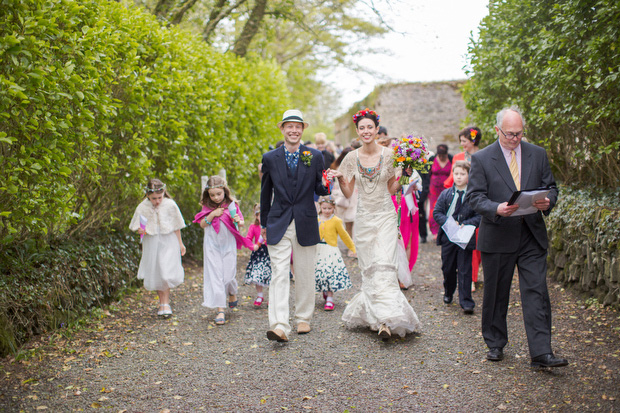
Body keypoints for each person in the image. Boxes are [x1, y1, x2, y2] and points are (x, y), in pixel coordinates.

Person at [467, 106, 568, 368]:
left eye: (519, 134)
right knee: (496, 293)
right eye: (510, 134)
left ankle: (541, 353)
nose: (515, 139)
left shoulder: (538, 153)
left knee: (536, 292)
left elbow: (552, 188)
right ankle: (495, 343)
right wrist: (496, 208)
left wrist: (548, 202)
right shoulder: (481, 158)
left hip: (531, 235)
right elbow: (474, 197)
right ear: (497, 130)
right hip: (498, 233)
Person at [331, 108, 421, 339]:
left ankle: (386, 320)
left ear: (377, 129)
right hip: (363, 218)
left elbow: (392, 188)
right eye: (362, 128)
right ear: (358, 131)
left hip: (385, 216)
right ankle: (375, 315)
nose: (366, 131)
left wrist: (404, 174)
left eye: (369, 127)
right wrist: (341, 179)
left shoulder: (391, 155)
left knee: (385, 264)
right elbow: (349, 193)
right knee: (369, 268)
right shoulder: (351, 158)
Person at [260, 109, 331, 342]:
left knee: (304, 272)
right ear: (282, 128)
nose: (293, 130)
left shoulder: (315, 156)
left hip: (306, 220)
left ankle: (303, 318)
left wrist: (328, 182)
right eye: (289, 126)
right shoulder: (270, 158)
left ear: (302, 130)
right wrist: (263, 224)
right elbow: (265, 193)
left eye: (297, 126)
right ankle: (279, 324)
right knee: (279, 273)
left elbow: (320, 189)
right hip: (278, 221)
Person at [193, 176, 256, 325]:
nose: (215, 197)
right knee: (216, 276)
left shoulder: (231, 205)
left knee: (228, 276)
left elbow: (241, 224)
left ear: (224, 191)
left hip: (228, 244)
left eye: (218, 194)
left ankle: (232, 291)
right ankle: (220, 310)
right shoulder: (207, 207)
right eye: (212, 195)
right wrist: (212, 215)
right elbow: (202, 224)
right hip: (211, 245)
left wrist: (237, 220)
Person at [129, 179, 186, 317]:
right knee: (158, 271)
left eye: (160, 197)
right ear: (148, 195)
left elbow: (176, 225)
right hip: (152, 242)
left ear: (164, 193)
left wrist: (180, 243)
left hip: (169, 241)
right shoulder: (142, 207)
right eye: (154, 198)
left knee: (166, 272)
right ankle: (163, 303)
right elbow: (138, 226)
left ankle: (165, 302)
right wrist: (141, 231)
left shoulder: (170, 205)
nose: (157, 201)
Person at [433, 161, 480, 314]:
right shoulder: (445, 194)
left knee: (465, 268)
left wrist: (465, 223)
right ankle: (448, 291)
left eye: (462, 174)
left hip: (465, 237)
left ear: (468, 176)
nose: (459, 177)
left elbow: (479, 216)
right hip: (448, 236)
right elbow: (437, 212)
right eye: (456, 174)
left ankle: (466, 301)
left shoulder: (473, 196)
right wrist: (449, 223)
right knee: (448, 267)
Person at [444, 127, 483, 289]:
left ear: (473, 141)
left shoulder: (483, 156)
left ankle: (472, 275)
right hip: (461, 200)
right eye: (460, 141)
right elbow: (452, 178)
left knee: (477, 242)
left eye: (464, 141)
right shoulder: (459, 157)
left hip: (479, 200)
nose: (462, 144)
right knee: (465, 240)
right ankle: (468, 278)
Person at [315, 196, 355, 311]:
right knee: (320, 273)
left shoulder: (336, 221)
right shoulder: (316, 219)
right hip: (318, 250)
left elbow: (344, 235)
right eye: (324, 208)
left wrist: (352, 247)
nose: (327, 211)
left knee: (330, 274)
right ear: (320, 208)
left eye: (329, 208)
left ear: (333, 208)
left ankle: (330, 298)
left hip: (331, 250)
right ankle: (325, 290)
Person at [330, 147, 358, 257]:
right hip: (343, 197)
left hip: (354, 196)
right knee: (346, 223)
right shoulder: (337, 166)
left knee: (352, 222)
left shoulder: (356, 165)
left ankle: (353, 247)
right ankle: (349, 247)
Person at [244, 204, 271, 307]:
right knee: (257, 274)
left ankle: (271, 297)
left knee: (270, 275)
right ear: (256, 216)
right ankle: (260, 295)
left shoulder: (272, 226)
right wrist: (252, 246)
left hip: (269, 253)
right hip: (259, 253)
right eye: (261, 216)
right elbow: (248, 239)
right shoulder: (253, 227)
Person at [428, 144, 452, 238]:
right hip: (434, 189)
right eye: (440, 155)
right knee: (433, 209)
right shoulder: (432, 159)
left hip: (446, 188)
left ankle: (446, 229)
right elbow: (428, 173)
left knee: (446, 208)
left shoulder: (451, 158)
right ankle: (435, 231)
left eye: (443, 155)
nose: (441, 157)